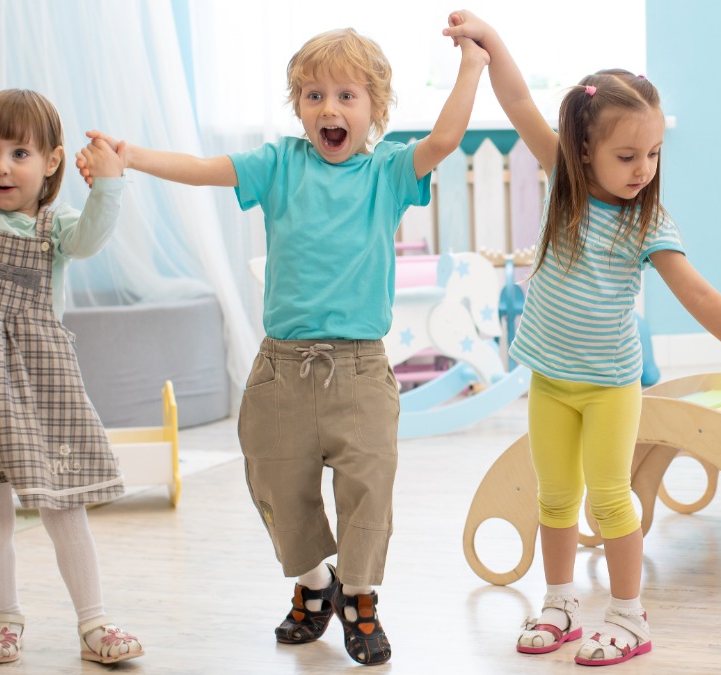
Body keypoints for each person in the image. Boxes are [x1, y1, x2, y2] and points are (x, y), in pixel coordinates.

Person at [76, 25, 487, 666]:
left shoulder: (387, 171)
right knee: (274, 480)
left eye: (347, 96)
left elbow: (445, 140)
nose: (329, 108)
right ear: (297, 105)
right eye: (314, 95)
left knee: (368, 489)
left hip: (359, 368)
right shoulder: (278, 164)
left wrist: (470, 66)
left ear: (375, 110)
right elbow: (206, 171)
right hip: (283, 368)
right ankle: (315, 583)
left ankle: (358, 596)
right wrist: (133, 157)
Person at [444, 10, 721, 667]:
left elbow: (697, 292)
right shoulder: (565, 180)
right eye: (627, 154)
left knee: (610, 495)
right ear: (584, 149)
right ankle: (559, 602)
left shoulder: (650, 222)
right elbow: (520, 99)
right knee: (554, 492)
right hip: (550, 375)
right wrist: (493, 43)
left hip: (611, 381)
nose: (643, 167)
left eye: (652, 153)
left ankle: (628, 613)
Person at [0, 9, 143, 666]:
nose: (1, 167)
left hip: (41, 385)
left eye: (19, 153)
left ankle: (94, 622)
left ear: (52, 162)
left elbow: (95, 237)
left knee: (63, 502)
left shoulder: (57, 228)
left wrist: (111, 184)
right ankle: (4, 617)